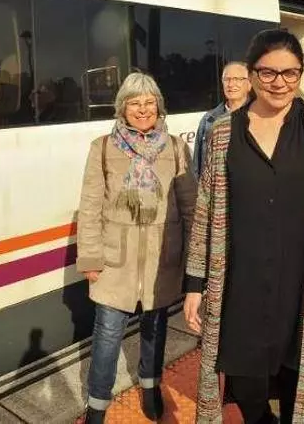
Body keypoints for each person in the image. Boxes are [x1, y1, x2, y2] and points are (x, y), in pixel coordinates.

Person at [182, 29, 304, 423]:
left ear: (300, 73)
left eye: (290, 73)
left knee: (302, 385)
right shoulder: (223, 132)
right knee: (246, 387)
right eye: (268, 72)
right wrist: (194, 285)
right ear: (251, 74)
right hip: (241, 287)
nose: (279, 82)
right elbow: (205, 213)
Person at [76, 72, 197, 423]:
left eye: (149, 102)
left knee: (156, 327)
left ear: (158, 106)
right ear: (122, 108)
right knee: (107, 334)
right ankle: (97, 405)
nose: (143, 109)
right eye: (134, 103)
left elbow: (189, 205)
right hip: (116, 260)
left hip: (162, 257)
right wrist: (90, 258)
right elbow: (90, 206)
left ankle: (150, 386)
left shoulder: (175, 147)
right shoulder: (102, 147)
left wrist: (193, 260)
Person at [192, 61, 251, 178]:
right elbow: (197, 167)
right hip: (216, 187)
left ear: (250, 84)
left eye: (237, 79)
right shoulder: (209, 120)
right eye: (227, 79)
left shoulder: (260, 117)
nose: (231, 84)